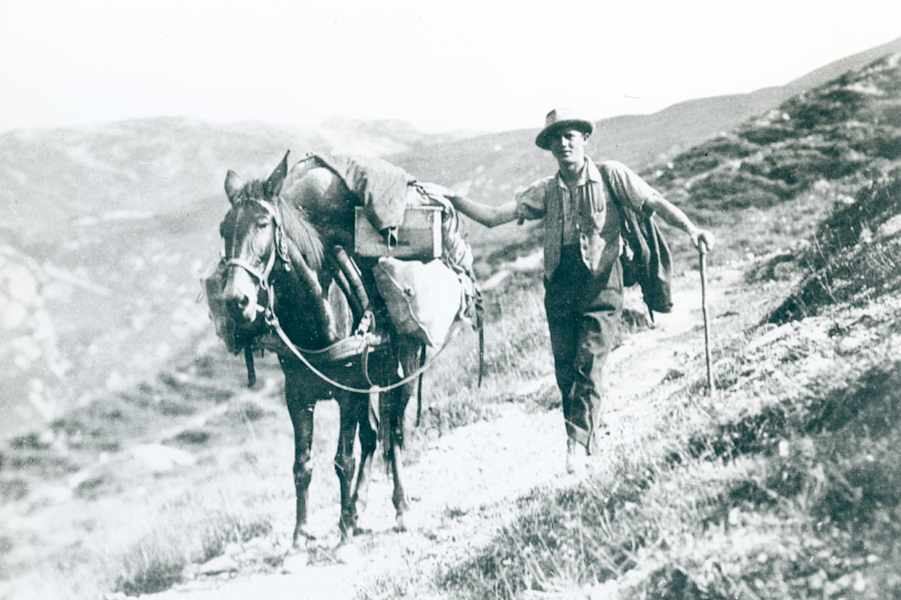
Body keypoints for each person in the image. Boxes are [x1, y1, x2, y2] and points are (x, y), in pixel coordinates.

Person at [445, 108, 716, 474]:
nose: (563, 143)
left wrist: (692, 229)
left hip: (602, 283)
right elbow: (493, 217)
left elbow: (654, 202)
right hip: (560, 286)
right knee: (565, 372)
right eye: (555, 139)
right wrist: (451, 198)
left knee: (588, 362)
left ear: (584, 139)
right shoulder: (545, 191)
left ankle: (576, 448)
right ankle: (586, 441)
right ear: (549, 147)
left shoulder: (611, 175)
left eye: (570, 135)